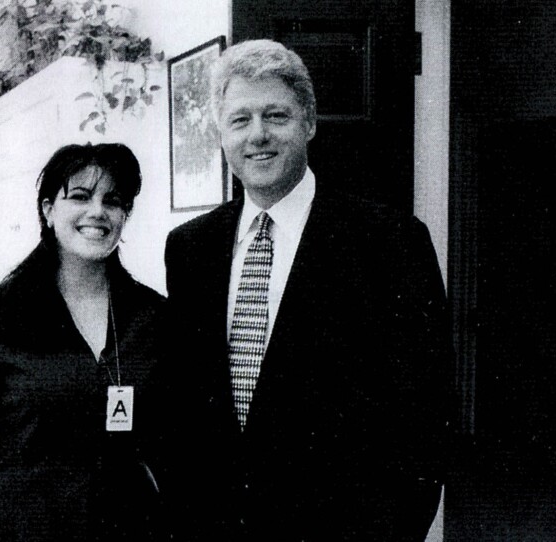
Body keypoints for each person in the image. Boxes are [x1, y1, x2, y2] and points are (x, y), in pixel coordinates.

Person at [163, 39, 452, 541]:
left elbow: (426, 419)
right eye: (240, 119)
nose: (258, 135)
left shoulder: (390, 241)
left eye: (276, 115)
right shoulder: (189, 249)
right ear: (220, 134)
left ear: (310, 123)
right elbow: (189, 412)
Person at [0, 143, 169, 542]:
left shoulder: (153, 315)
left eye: (112, 201)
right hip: (21, 528)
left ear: (124, 215)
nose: (97, 211)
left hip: (127, 528)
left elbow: (172, 446)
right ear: (48, 209)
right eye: (79, 196)